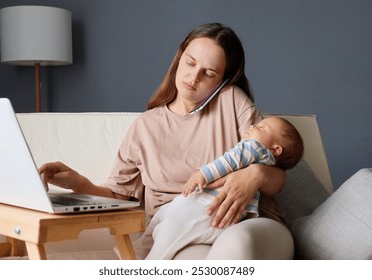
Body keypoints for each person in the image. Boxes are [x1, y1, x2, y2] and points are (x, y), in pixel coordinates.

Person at [39, 22, 293, 259]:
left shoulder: (232, 100)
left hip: (250, 224)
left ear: (223, 80)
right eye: (190, 63)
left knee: (237, 244)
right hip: (182, 234)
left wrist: (255, 175)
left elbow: (276, 174)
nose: (193, 78)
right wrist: (79, 184)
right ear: (179, 57)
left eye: (209, 73)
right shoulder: (146, 126)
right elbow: (122, 196)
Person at [131, 116, 304, 259]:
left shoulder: (254, 147)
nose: (253, 126)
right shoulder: (262, 155)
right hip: (211, 210)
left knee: (171, 228)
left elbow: (229, 160)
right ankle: (143, 248)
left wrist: (203, 174)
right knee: (167, 217)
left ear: (276, 149)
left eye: (262, 127)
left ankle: (147, 255)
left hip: (210, 207)